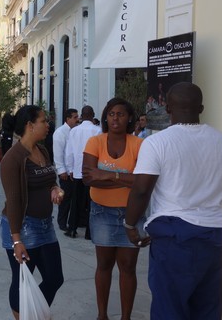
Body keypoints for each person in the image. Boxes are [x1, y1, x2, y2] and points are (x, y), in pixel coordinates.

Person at [125, 82, 222, 320]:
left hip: (176, 239)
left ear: (167, 108)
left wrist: (130, 225)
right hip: (217, 237)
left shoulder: (157, 143)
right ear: (201, 107)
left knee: (169, 309)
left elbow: (141, 190)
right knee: (210, 309)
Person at [0, 105, 65, 320]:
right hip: (23, 227)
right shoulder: (12, 159)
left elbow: (49, 180)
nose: (48, 125)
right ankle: (25, 316)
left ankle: (34, 314)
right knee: (21, 280)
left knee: (55, 278)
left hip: (46, 225)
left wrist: (55, 188)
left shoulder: (42, 149)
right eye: (44, 121)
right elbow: (14, 201)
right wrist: (17, 241)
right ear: (30, 125)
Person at [82, 98, 144, 320]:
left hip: (131, 213)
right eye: (111, 114)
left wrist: (107, 174)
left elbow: (143, 181)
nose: (115, 118)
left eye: (120, 114)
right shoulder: (95, 142)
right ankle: (102, 315)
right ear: (105, 117)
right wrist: (126, 178)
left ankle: (125, 317)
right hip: (101, 212)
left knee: (128, 267)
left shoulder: (138, 144)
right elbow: (89, 179)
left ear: (129, 118)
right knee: (104, 265)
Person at [64, 105, 101, 238]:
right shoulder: (98, 131)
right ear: (93, 115)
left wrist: (70, 169)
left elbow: (69, 152)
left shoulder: (74, 131)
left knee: (76, 201)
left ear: (81, 115)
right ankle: (89, 232)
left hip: (78, 171)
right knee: (92, 202)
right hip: (92, 172)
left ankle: (72, 228)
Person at [52, 108, 80, 231]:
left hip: (75, 171)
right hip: (65, 172)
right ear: (67, 119)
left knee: (75, 198)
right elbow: (58, 153)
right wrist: (61, 170)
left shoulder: (76, 131)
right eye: (74, 117)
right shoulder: (60, 133)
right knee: (65, 198)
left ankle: (73, 221)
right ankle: (62, 222)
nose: (77, 119)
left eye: (77, 117)